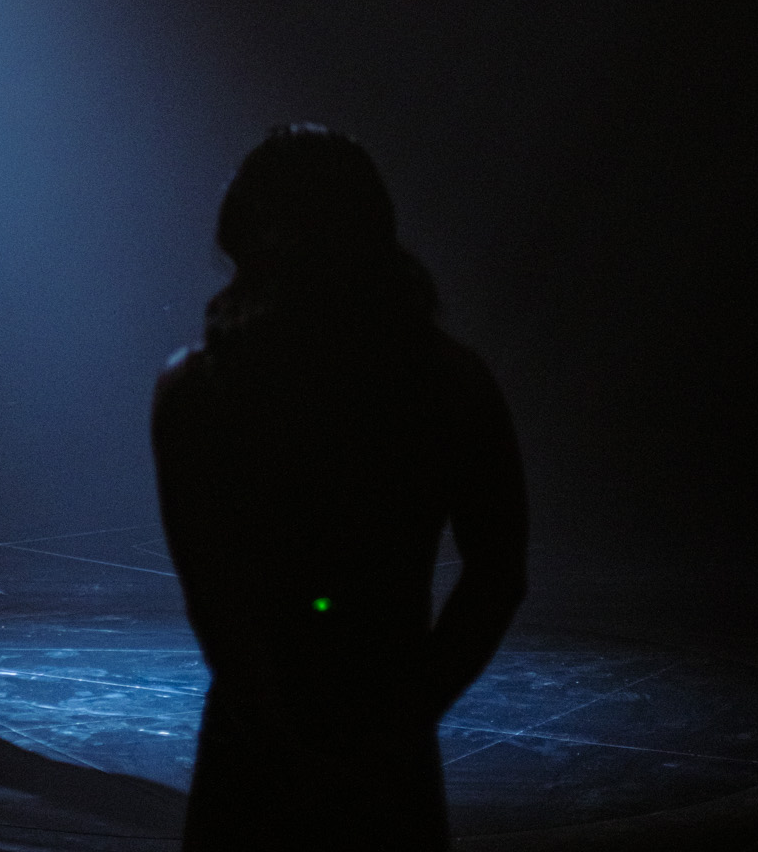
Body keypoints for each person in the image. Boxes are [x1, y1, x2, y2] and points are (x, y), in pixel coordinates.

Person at [152, 125, 528, 851]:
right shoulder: (452, 382)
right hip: (389, 743)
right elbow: (499, 574)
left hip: (252, 751)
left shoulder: (200, 391)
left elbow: (217, 600)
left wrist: (275, 734)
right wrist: (404, 718)